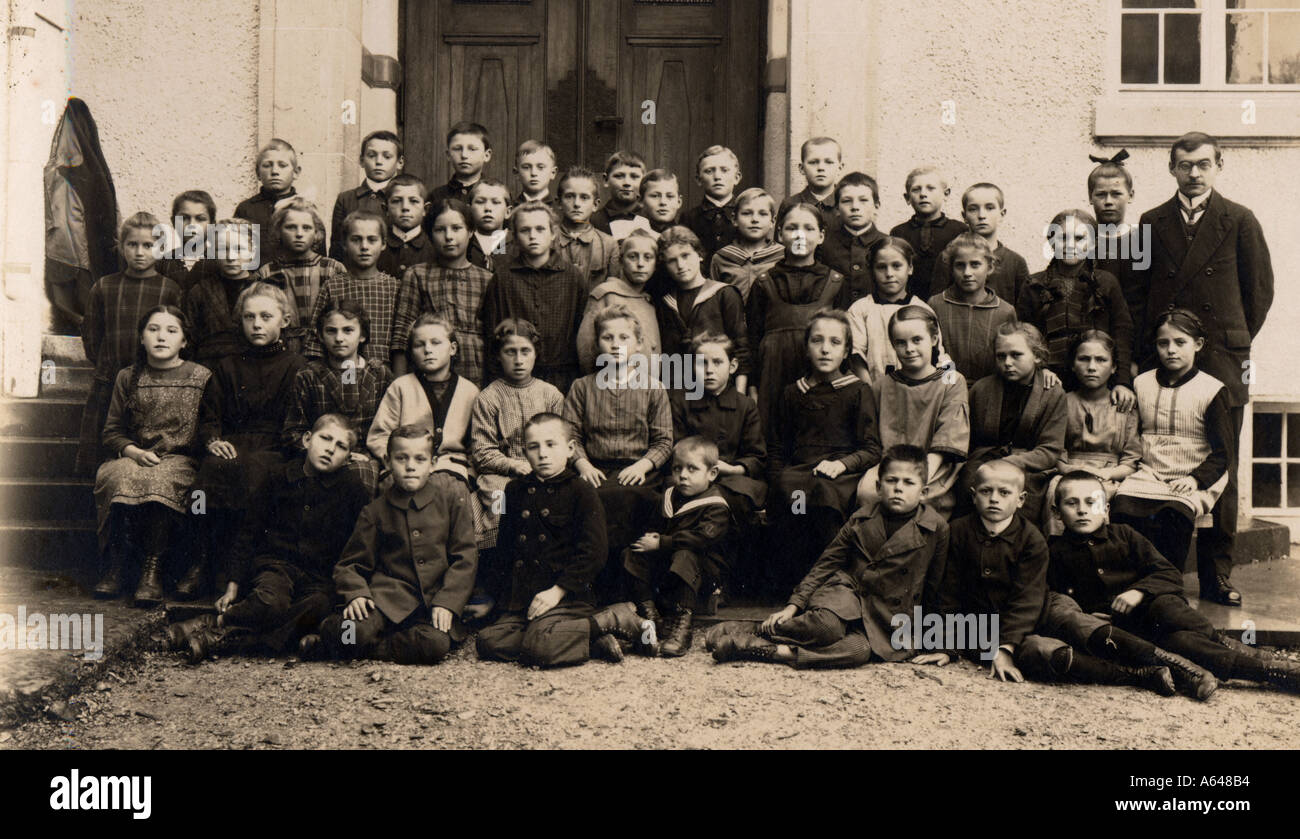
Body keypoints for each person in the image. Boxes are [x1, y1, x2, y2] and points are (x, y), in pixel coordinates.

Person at [1135, 131, 1275, 607]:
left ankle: (1217, 575)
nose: (1194, 173)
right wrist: (1155, 350)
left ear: (1218, 165)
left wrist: (1230, 343)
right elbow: (1141, 291)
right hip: (1166, 358)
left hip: (1221, 359)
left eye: (1202, 164)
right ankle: (1157, 574)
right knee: (1159, 458)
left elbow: (1259, 292)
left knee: (1222, 466)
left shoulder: (1239, 219)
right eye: (1184, 165)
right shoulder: (1151, 221)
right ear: (1171, 168)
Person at [1048, 472, 1300, 694]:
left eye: (1091, 502)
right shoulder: (1054, 552)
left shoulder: (1124, 535)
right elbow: (1058, 602)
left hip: (1159, 613)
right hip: (1130, 632)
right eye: (1072, 503)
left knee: (1166, 607)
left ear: (1105, 509)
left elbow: (1168, 572)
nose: (1082, 510)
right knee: (1182, 643)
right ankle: (1271, 670)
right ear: (1057, 512)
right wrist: (1089, 619)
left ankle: (1263, 664)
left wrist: (1139, 592)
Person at [708, 445, 947, 668]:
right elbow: (827, 563)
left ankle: (768, 650)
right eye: (891, 480)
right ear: (878, 487)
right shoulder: (861, 518)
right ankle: (758, 629)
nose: (898, 488)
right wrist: (793, 606)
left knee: (859, 651)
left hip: (889, 616)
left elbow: (938, 589)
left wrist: (944, 646)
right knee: (825, 627)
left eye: (908, 482)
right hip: (849, 595)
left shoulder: (936, 528)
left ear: (923, 492)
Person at [167, 414, 371, 661]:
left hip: (317, 576)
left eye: (341, 446)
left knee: (318, 607)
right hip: (276, 566)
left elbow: (360, 542)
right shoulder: (278, 476)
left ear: (348, 458)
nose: (330, 449)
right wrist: (233, 584)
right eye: (325, 439)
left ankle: (220, 630)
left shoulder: (352, 489)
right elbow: (249, 531)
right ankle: (219, 627)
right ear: (307, 439)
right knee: (271, 603)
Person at [475, 413, 657, 666]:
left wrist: (558, 591)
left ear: (570, 449)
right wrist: (494, 596)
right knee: (488, 641)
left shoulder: (581, 490)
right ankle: (590, 639)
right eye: (533, 447)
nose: (543, 454)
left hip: (567, 596)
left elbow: (594, 552)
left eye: (551, 445)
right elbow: (505, 548)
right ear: (525, 452)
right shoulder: (513, 490)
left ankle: (612, 618)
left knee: (539, 647)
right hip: (525, 596)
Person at [313, 424, 478, 664]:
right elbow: (350, 565)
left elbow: (465, 558)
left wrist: (448, 603)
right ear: (388, 461)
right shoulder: (375, 511)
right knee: (351, 634)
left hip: (431, 605)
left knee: (435, 645)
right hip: (386, 601)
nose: (410, 466)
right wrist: (356, 594)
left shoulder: (452, 501)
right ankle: (336, 632)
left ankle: (369, 648)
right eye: (401, 458)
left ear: (433, 463)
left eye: (420, 459)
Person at [92, 306, 212, 605]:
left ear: (184, 341)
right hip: (135, 455)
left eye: (171, 331)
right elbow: (111, 431)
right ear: (141, 338)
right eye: (153, 329)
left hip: (180, 458)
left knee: (161, 481)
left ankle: (151, 570)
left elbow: (208, 427)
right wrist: (133, 451)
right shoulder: (128, 377)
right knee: (119, 476)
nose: (161, 337)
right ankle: (116, 565)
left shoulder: (201, 377)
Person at [1111, 309, 1233, 599]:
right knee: (1122, 506)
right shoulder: (1141, 383)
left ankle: (1167, 586)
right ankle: (1130, 583)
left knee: (1174, 512)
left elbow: (1223, 452)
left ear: (1198, 344)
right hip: (1150, 471)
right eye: (1163, 343)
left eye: (1180, 342)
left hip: (1193, 474)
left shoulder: (1211, 390)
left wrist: (1195, 479)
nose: (1171, 350)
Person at [765, 309, 881, 592]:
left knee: (825, 496)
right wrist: (778, 480)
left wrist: (842, 465)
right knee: (793, 499)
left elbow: (872, 448)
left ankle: (830, 583)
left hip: (840, 474)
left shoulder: (857, 391)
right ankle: (796, 583)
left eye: (835, 342)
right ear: (806, 348)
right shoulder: (793, 393)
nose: (825, 349)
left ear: (846, 352)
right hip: (800, 473)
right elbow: (779, 446)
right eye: (817, 341)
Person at [564, 307, 674, 565]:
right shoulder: (582, 387)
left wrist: (642, 466)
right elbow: (570, 435)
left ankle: (630, 574)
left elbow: (664, 441)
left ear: (638, 344)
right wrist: (583, 464)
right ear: (597, 344)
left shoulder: (653, 388)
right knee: (590, 497)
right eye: (608, 337)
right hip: (595, 469)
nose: (615, 345)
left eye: (624, 337)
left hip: (638, 472)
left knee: (634, 498)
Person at [77, 212, 184, 475]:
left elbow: (176, 336)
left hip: (152, 381)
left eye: (148, 245)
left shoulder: (169, 289)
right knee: (104, 449)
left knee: (143, 457)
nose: (139, 252)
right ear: (121, 246)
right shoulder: (104, 287)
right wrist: (108, 365)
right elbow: (92, 337)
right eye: (132, 244)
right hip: (110, 379)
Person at [469, 319, 563, 604]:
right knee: (500, 502)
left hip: (545, 469)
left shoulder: (551, 395)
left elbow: (561, 441)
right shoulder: (488, 397)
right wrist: (514, 465)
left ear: (536, 354)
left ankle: (543, 583)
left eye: (525, 351)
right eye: (510, 352)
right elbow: (482, 451)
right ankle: (496, 586)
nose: (519, 360)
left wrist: (543, 463)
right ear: (499, 356)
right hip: (503, 473)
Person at [624, 437, 733, 657]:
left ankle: (682, 623)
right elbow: (656, 527)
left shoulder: (716, 506)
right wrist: (653, 537)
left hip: (703, 574)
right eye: (677, 468)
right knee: (633, 552)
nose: (683, 475)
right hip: (670, 566)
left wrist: (662, 542)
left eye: (692, 469)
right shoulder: (670, 496)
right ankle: (650, 615)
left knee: (685, 555)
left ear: (712, 473)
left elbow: (700, 539)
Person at [855, 306, 967, 518]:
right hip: (889, 466)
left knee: (918, 500)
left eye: (917, 340)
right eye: (900, 342)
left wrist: (918, 477)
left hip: (933, 464)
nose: (909, 349)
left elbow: (949, 437)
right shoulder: (882, 385)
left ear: (933, 339)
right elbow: (872, 441)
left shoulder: (950, 380)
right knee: (868, 492)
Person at [1016, 208, 1133, 403]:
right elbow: (1025, 335)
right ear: (1051, 241)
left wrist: (1122, 381)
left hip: (1095, 378)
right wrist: (1040, 369)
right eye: (1062, 238)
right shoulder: (1034, 284)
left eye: (1079, 238)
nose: (1070, 245)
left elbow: (1122, 332)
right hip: (1047, 379)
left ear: (1093, 242)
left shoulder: (1106, 282)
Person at [745, 203, 842, 428]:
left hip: (820, 377)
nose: (800, 235)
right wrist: (752, 385)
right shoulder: (763, 283)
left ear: (821, 236)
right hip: (772, 376)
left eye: (808, 228)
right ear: (779, 234)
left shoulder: (836, 282)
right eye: (792, 228)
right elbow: (751, 339)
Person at [959, 321, 1065, 523]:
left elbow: (1050, 450)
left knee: (1023, 504)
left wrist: (1010, 462)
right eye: (1001, 356)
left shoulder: (1052, 394)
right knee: (969, 490)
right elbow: (968, 441)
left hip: (1029, 469)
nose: (1007, 362)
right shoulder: (982, 389)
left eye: (1016, 355)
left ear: (1037, 356)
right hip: (983, 463)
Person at [283, 299, 393, 492]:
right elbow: (293, 431)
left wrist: (370, 455)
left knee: (360, 475)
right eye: (331, 331)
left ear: (362, 335)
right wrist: (325, 450)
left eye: (348, 330)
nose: (339, 338)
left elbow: (390, 428)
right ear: (320, 335)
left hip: (365, 457)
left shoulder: (379, 374)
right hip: (322, 454)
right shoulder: (308, 375)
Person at [480, 201, 588, 393]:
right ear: (514, 236)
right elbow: (492, 333)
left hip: (562, 378)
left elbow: (581, 330)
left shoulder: (573, 277)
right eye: (525, 230)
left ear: (553, 233)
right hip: (514, 378)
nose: (532, 236)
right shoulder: (503, 278)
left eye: (540, 229)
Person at [1041, 330, 1140, 536]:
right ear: (1072, 364)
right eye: (1084, 359)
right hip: (1069, 472)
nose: (1092, 367)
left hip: (1110, 475)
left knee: (1111, 498)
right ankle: (1057, 547)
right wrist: (1072, 470)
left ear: (1114, 367)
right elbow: (1055, 452)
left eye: (1101, 360)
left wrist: (1108, 474)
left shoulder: (1124, 406)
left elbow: (1131, 461)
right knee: (1056, 491)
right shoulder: (1063, 402)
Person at [390, 198, 493, 386]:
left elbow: (494, 337)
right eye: (440, 230)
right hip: (428, 371)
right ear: (430, 234)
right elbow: (402, 335)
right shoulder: (417, 275)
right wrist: (400, 385)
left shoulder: (487, 279)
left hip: (476, 370)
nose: (448, 236)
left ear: (471, 231)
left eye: (456, 228)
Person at [368, 313, 480, 481]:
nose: (427, 349)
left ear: (453, 348)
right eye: (419, 345)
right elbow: (379, 436)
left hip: (451, 466)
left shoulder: (470, 391)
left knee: (445, 488)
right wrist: (396, 459)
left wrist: (469, 470)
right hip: (406, 465)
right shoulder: (401, 387)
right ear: (412, 353)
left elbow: (476, 444)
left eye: (435, 342)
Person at [655, 225, 750, 394]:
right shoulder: (665, 302)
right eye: (672, 260)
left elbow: (741, 346)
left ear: (699, 255)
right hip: (677, 392)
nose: (680, 265)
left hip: (717, 391)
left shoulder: (723, 294)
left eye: (685, 255)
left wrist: (739, 395)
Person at [302, 210, 400, 367]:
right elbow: (315, 337)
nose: (364, 247)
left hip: (384, 371)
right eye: (356, 240)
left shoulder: (395, 287)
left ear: (383, 244)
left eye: (372, 240)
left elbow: (401, 340)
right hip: (339, 369)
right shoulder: (332, 286)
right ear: (344, 244)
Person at [846, 236, 947, 386]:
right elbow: (856, 358)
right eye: (881, 267)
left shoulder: (922, 309)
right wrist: (871, 391)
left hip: (917, 390)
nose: (889, 273)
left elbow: (938, 356)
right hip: (872, 389)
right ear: (872, 270)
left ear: (910, 268)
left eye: (896, 266)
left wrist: (948, 386)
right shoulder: (860, 309)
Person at [254, 198, 347, 352]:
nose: (299, 234)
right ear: (278, 231)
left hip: (325, 349)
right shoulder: (267, 272)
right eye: (291, 227)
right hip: (281, 350)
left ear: (316, 233)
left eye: (306, 228)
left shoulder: (332, 269)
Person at [927, 233, 1017, 384]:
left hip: (990, 389)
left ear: (990, 267)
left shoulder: (1005, 311)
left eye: (975, 264)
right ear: (951, 268)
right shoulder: (936, 305)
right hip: (945, 386)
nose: (967, 273)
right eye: (960, 265)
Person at [929, 182, 1030, 305]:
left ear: (1002, 214)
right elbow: (937, 305)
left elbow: (1024, 310)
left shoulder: (1016, 262)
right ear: (964, 216)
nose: (982, 215)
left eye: (989, 208)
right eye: (973, 209)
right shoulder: (948, 257)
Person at [577, 229, 661, 373]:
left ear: (656, 264)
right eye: (633, 257)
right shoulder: (606, 294)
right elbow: (586, 351)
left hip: (646, 384)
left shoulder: (649, 301)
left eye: (648, 257)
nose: (640, 264)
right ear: (621, 261)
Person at [234, 138, 323, 263]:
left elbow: (319, 256)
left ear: (296, 172)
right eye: (267, 165)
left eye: (282, 165)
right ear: (258, 173)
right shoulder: (246, 209)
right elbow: (235, 252)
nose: (274, 171)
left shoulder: (306, 209)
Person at [888, 166, 966, 300]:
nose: (923, 194)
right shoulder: (899, 232)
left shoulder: (960, 230)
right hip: (909, 302)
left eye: (930, 188)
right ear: (907, 198)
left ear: (946, 194)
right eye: (916, 189)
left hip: (950, 301)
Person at [331, 129, 403, 261]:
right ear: (361, 160)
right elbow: (337, 248)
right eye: (371, 155)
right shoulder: (346, 199)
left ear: (400, 162)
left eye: (387, 157)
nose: (379, 161)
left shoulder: (404, 199)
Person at [816, 172, 886, 302]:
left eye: (863, 200)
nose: (855, 207)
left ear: (876, 206)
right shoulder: (823, 245)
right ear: (837, 209)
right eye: (847, 201)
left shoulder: (887, 244)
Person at [709, 187, 784, 303]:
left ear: (772, 221)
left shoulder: (783, 257)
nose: (755, 219)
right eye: (747, 213)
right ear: (734, 219)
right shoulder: (721, 258)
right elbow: (714, 302)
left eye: (762, 214)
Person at [554, 166, 621, 293]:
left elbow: (613, 291)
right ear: (559, 203)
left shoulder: (609, 245)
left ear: (595, 204)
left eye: (584, 197)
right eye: (569, 196)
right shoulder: (547, 240)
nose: (576, 204)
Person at [682, 144, 743, 263]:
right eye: (709, 171)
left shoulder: (745, 215)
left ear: (737, 177)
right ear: (698, 179)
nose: (717, 176)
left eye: (724, 170)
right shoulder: (689, 218)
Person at [377, 174, 435, 278]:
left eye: (413, 201)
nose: (405, 207)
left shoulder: (434, 248)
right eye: (396, 201)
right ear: (386, 209)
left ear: (425, 209)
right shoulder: (376, 247)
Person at [778, 136, 843, 228]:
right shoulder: (789, 204)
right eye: (813, 162)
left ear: (839, 168)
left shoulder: (845, 203)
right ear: (802, 168)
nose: (821, 168)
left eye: (829, 162)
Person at [428, 121, 492, 206]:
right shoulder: (437, 196)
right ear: (448, 155)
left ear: (486, 155)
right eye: (457, 149)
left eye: (472, 149)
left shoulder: (496, 194)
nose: (464, 155)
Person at [591, 150, 650, 239]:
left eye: (634, 176)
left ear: (644, 181)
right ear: (606, 180)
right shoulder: (594, 221)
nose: (627, 182)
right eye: (619, 176)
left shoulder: (651, 218)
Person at [466, 179, 513, 271]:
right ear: (469, 210)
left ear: (507, 212)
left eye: (495, 202)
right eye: (480, 202)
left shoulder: (518, 243)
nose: (488, 208)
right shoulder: (463, 242)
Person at [513, 139, 558, 206]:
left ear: (553, 173)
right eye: (526, 167)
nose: (533, 173)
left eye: (540, 167)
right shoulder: (510, 209)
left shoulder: (559, 209)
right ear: (516, 173)